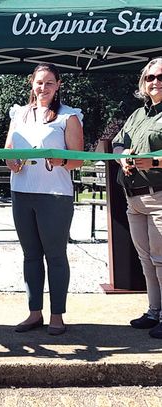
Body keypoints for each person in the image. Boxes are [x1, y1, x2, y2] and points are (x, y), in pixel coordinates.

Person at [4, 63, 84, 336]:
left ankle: (57, 315)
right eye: (39, 82)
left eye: (49, 82)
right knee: (30, 256)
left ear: (58, 85)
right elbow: (7, 152)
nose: (43, 87)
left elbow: (78, 160)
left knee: (56, 255)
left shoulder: (68, 116)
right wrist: (13, 162)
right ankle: (34, 312)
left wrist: (61, 159)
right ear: (31, 83)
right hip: (22, 192)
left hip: (55, 196)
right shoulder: (19, 114)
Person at [112, 57, 162, 339]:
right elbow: (121, 141)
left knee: (161, 259)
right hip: (134, 197)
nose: (155, 82)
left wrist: (153, 163)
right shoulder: (138, 114)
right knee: (146, 259)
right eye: (150, 77)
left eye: (161, 77)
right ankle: (153, 310)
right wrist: (122, 158)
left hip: (159, 196)